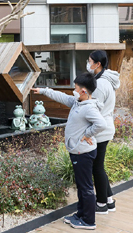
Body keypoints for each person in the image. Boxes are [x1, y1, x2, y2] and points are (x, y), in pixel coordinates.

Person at [31, 73, 106, 230]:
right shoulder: (78, 102)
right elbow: (61, 97)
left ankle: (89, 221)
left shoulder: (89, 108)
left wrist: (87, 134)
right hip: (78, 151)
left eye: (76, 88)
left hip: (83, 152)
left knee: (86, 187)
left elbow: (101, 124)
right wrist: (44, 91)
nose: (74, 90)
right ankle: (81, 214)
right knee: (81, 185)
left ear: (83, 91)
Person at [86, 50, 120, 214]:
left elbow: (93, 110)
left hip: (100, 130)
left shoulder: (100, 84)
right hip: (106, 127)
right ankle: (109, 200)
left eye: (89, 61)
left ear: (97, 64)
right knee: (99, 166)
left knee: (96, 168)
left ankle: (101, 204)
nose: (88, 64)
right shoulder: (107, 80)